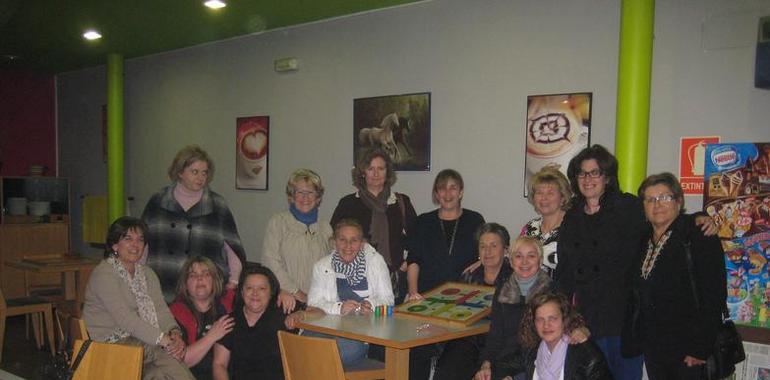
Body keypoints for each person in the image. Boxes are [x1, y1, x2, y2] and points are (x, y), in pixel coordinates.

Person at [555, 144, 715, 380]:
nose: (588, 179)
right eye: (582, 173)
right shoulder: (571, 217)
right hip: (586, 321)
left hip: (624, 322)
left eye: (595, 172)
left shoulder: (627, 207)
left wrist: (697, 218)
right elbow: (564, 274)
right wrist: (567, 318)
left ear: (607, 177)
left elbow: (663, 219)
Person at [629, 173, 726, 379]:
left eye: (664, 197)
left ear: (678, 201)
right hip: (654, 348)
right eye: (650, 200)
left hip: (689, 350)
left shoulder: (697, 234)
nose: (658, 204)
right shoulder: (641, 240)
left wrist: (699, 348)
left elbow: (714, 294)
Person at [83, 216, 194, 379]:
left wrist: (174, 333)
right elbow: (126, 320)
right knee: (163, 351)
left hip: (136, 342)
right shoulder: (104, 273)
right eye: (128, 239)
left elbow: (161, 310)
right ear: (115, 245)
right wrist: (163, 340)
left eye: (140, 240)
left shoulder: (147, 274)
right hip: (108, 346)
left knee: (159, 373)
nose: (135, 245)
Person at [475, 236, 591, 380]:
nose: (524, 262)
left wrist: (582, 330)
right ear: (511, 261)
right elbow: (495, 335)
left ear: (540, 260)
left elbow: (574, 323)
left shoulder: (552, 291)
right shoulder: (502, 290)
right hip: (504, 362)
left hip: (536, 363)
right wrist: (486, 364)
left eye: (531, 256)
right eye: (518, 256)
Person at [406, 169, 485, 379]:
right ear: (436, 194)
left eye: (453, 187)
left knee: (456, 361)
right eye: (442, 188)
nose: (447, 193)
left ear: (460, 192)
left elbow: (490, 251)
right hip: (427, 303)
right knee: (416, 354)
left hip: (464, 305)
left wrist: (480, 261)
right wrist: (413, 293)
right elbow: (413, 261)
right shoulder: (423, 221)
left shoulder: (475, 220)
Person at [142, 145, 246, 302]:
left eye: (204, 173)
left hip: (204, 291)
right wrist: (137, 276)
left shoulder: (217, 204)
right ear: (180, 172)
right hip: (163, 283)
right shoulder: (158, 200)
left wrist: (234, 280)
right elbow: (142, 243)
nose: (201, 178)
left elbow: (232, 247)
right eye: (194, 172)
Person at [305, 218, 394, 366]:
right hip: (328, 328)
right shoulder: (322, 266)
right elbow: (313, 303)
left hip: (360, 333)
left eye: (354, 240)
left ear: (362, 243)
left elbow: (388, 301)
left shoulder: (376, 262)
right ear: (334, 242)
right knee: (303, 346)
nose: (348, 246)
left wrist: (370, 304)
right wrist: (339, 307)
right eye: (342, 240)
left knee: (340, 353)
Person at [331, 148, 416, 301]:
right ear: (363, 172)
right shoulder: (348, 204)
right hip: (357, 279)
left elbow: (416, 239)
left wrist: (404, 265)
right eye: (370, 169)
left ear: (387, 172)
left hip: (395, 278)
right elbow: (334, 241)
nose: (376, 174)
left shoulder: (401, 202)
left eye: (381, 168)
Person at [434, 223, 514, 380]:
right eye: (483, 246)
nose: (487, 251)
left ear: (505, 250)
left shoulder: (515, 279)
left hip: (500, 344)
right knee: (449, 367)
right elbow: (453, 311)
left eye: (493, 245)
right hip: (468, 340)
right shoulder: (469, 276)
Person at [494, 291, 612, 380]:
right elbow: (501, 365)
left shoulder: (587, 356)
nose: (546, 325)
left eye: (553, 318)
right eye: (540, 319)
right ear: (533, 323)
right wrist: (505, 376)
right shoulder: (531, 351)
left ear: (564, 319)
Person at [262, 169, 333, 313]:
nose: (305, 197)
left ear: (318, 197)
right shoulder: (278, 222)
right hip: (285, 298)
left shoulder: (325, 227)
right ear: (291, 196)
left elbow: (333, 264)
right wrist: (296, 292)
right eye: (300, 192)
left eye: (310, 192)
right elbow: (270, 262)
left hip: (319, 303)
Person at [212, 264, 287, 380]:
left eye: (262, 288)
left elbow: (318, 313)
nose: (255, 293)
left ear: (271, 293)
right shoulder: (227, 322)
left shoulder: (282, 318)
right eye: (249, 288)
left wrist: (300, 314)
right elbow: (219, 365)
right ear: (242, 292)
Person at [169, 256, 236, 380]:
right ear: (186, 284)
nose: (199, 278)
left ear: (214, 280)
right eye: (193, 275)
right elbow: (181, 361)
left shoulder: (229, 303)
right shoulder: (176, 312)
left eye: (206, 274)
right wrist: (212, 335)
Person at [521, 165, 572, 277]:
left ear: (563, 197)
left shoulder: (574, 228)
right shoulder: (529, 228)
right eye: (539, 193)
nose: (544, 198)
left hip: (563, 293)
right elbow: (517, 257)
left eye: (550, 193)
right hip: (531, 292)